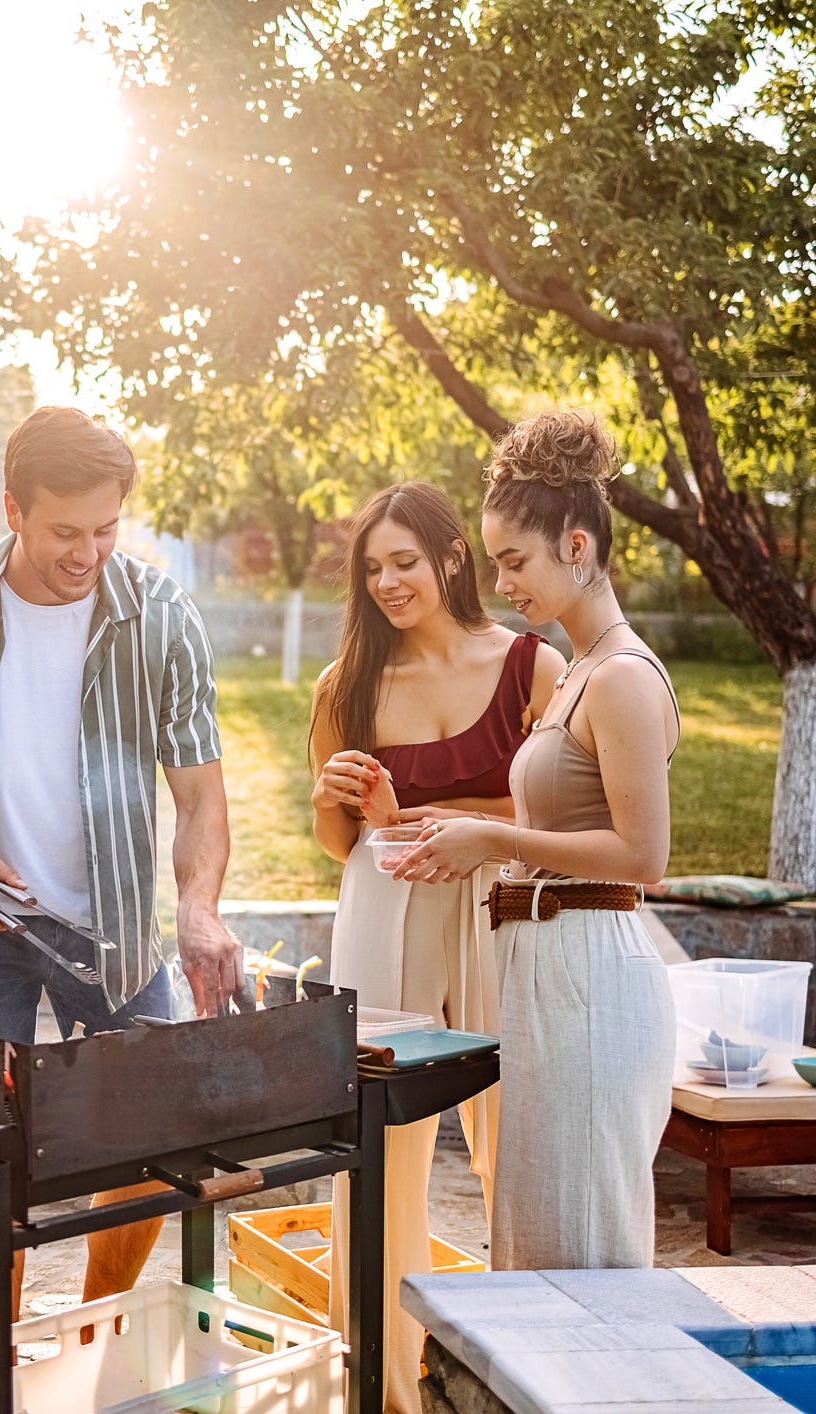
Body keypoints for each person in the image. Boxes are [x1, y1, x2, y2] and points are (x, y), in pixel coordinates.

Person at [0, 404, 245, 1310]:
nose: (87, 552)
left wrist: (198, 907)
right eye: (65, 531)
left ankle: (93, 1324)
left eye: (106, 529)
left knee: (157, 1128)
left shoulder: (160, 612)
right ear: (12, 509)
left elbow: (199, 792)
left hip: (107, 924)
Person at [394, 409, 680, 1271]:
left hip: (592, 972)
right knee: (538, 1240)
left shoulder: (622, 678)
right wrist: (474, 827)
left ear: (578, 547)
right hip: (551, 969)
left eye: (514, 560)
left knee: (580, 1247)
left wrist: (491, 836)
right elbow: (565, 821)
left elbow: (643, 856)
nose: (502, 580)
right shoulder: (579, 672)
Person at [308, 482, 563, 1414]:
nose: (387, 583)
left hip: (501, 905)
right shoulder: (346, 685)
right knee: (381, 1147)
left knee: (519, 1142)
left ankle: (526, 1372)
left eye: (404, 562)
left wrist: (430, 813)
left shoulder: (534, 667)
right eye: (372, 568)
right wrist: (332, 801)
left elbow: (564, 813)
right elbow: (342, 846)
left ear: (453, 558)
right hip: (385, 908)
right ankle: (385, 1386)